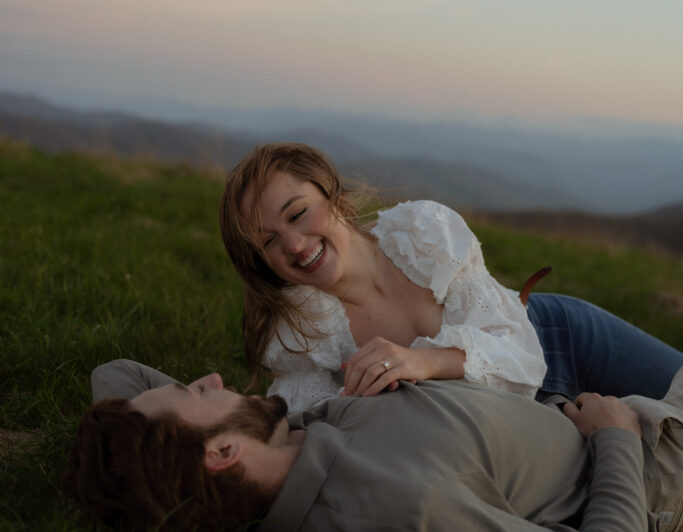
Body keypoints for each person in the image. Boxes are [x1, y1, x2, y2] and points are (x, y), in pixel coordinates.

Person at [65, 358, 683, 532]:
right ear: (224, 453)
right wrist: (617, 437)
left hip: (597, 410)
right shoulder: (412, 515)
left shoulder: (283, 444)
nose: (213, 377)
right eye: (199, 393)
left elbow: (114, 374)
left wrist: (123, 457)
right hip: (660, 458)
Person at [218, 143, 683, 413]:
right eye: (269, 243)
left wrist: (424, 363)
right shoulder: (300, 332)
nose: (295, 244)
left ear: (331, 194)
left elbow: (519, 354)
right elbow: (312, 425)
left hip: (559, 334)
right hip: (527, 422)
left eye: (298, 214)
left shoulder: (423, 234)